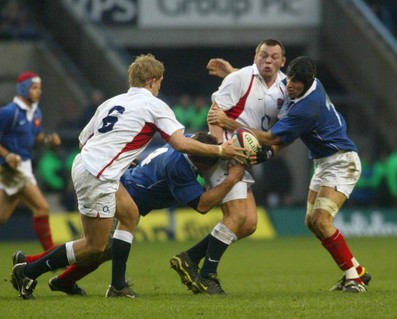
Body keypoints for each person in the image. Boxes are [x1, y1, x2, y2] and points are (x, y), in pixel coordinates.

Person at [11, 54, 247, 300]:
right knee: (94, 246)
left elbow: (83, 141)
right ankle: (29, 270)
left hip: (91, 165)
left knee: (130, 214)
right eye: (160, 82)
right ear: (153, 81)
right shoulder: (154, 105)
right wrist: (222, 150)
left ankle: (118, 286)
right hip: (99, 173)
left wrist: (121, 158)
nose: (160, 87)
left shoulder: (112, 102)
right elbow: (179, 143)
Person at [11, 132, 245, 296]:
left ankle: (59, 279)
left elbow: (208, 147)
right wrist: (232, 179)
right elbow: (203, 206)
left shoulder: (190, 141)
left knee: (100, 250)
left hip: (124, 189)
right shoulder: (180, 167)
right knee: (95, 247)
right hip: (122, 198)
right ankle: (30, 267)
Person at [213, 56, 371, 293]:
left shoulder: (307, 107)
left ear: (309, 83)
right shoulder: (299, 84)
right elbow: (272, 86)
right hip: (322, 162)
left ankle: (354, 280)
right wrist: (233, 71)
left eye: (296, 83)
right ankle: (356, 270)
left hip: (342, 161)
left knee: (321, 220)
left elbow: (271, 139)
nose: (290, 86)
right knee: (311, 222)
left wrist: (229, 123)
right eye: (290, 80)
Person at [170, 39, 287, 295]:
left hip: (245, 156)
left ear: (282, 61)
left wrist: (266, 153)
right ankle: (208, 274)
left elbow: (282, 133)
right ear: (255, 56)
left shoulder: (285, 88)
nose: (268, 60)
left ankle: (189, 257)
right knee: (236, 217)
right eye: (263, 55)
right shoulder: (240, 78)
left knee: (249, 224)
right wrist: (223, 150)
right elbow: (214, 114)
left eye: (274, 57)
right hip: (225, 153)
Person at [0, 72, 61, 250]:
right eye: (34, 88)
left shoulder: (36, 112)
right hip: (12, 168)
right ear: (23, 89)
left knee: (2, 216)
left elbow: (37, 137)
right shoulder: (9, 112)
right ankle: (51, 256)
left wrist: (49, 141)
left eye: (40, 88)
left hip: (24, 167)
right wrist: (7, 155)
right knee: (42, 207)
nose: (39, 92)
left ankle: (50, 256)